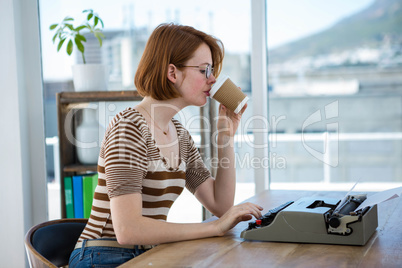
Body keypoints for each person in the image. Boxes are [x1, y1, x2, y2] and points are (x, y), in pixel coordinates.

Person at [69, 23, 263, 268]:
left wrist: (225, 138)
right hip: (102, 255)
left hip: (148, 254)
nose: (213, 80)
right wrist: (212, 227)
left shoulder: (179, 134)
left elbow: (220, 204)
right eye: (204, 70)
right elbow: (128, 230)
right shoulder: (129, 127)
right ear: (173, 73)